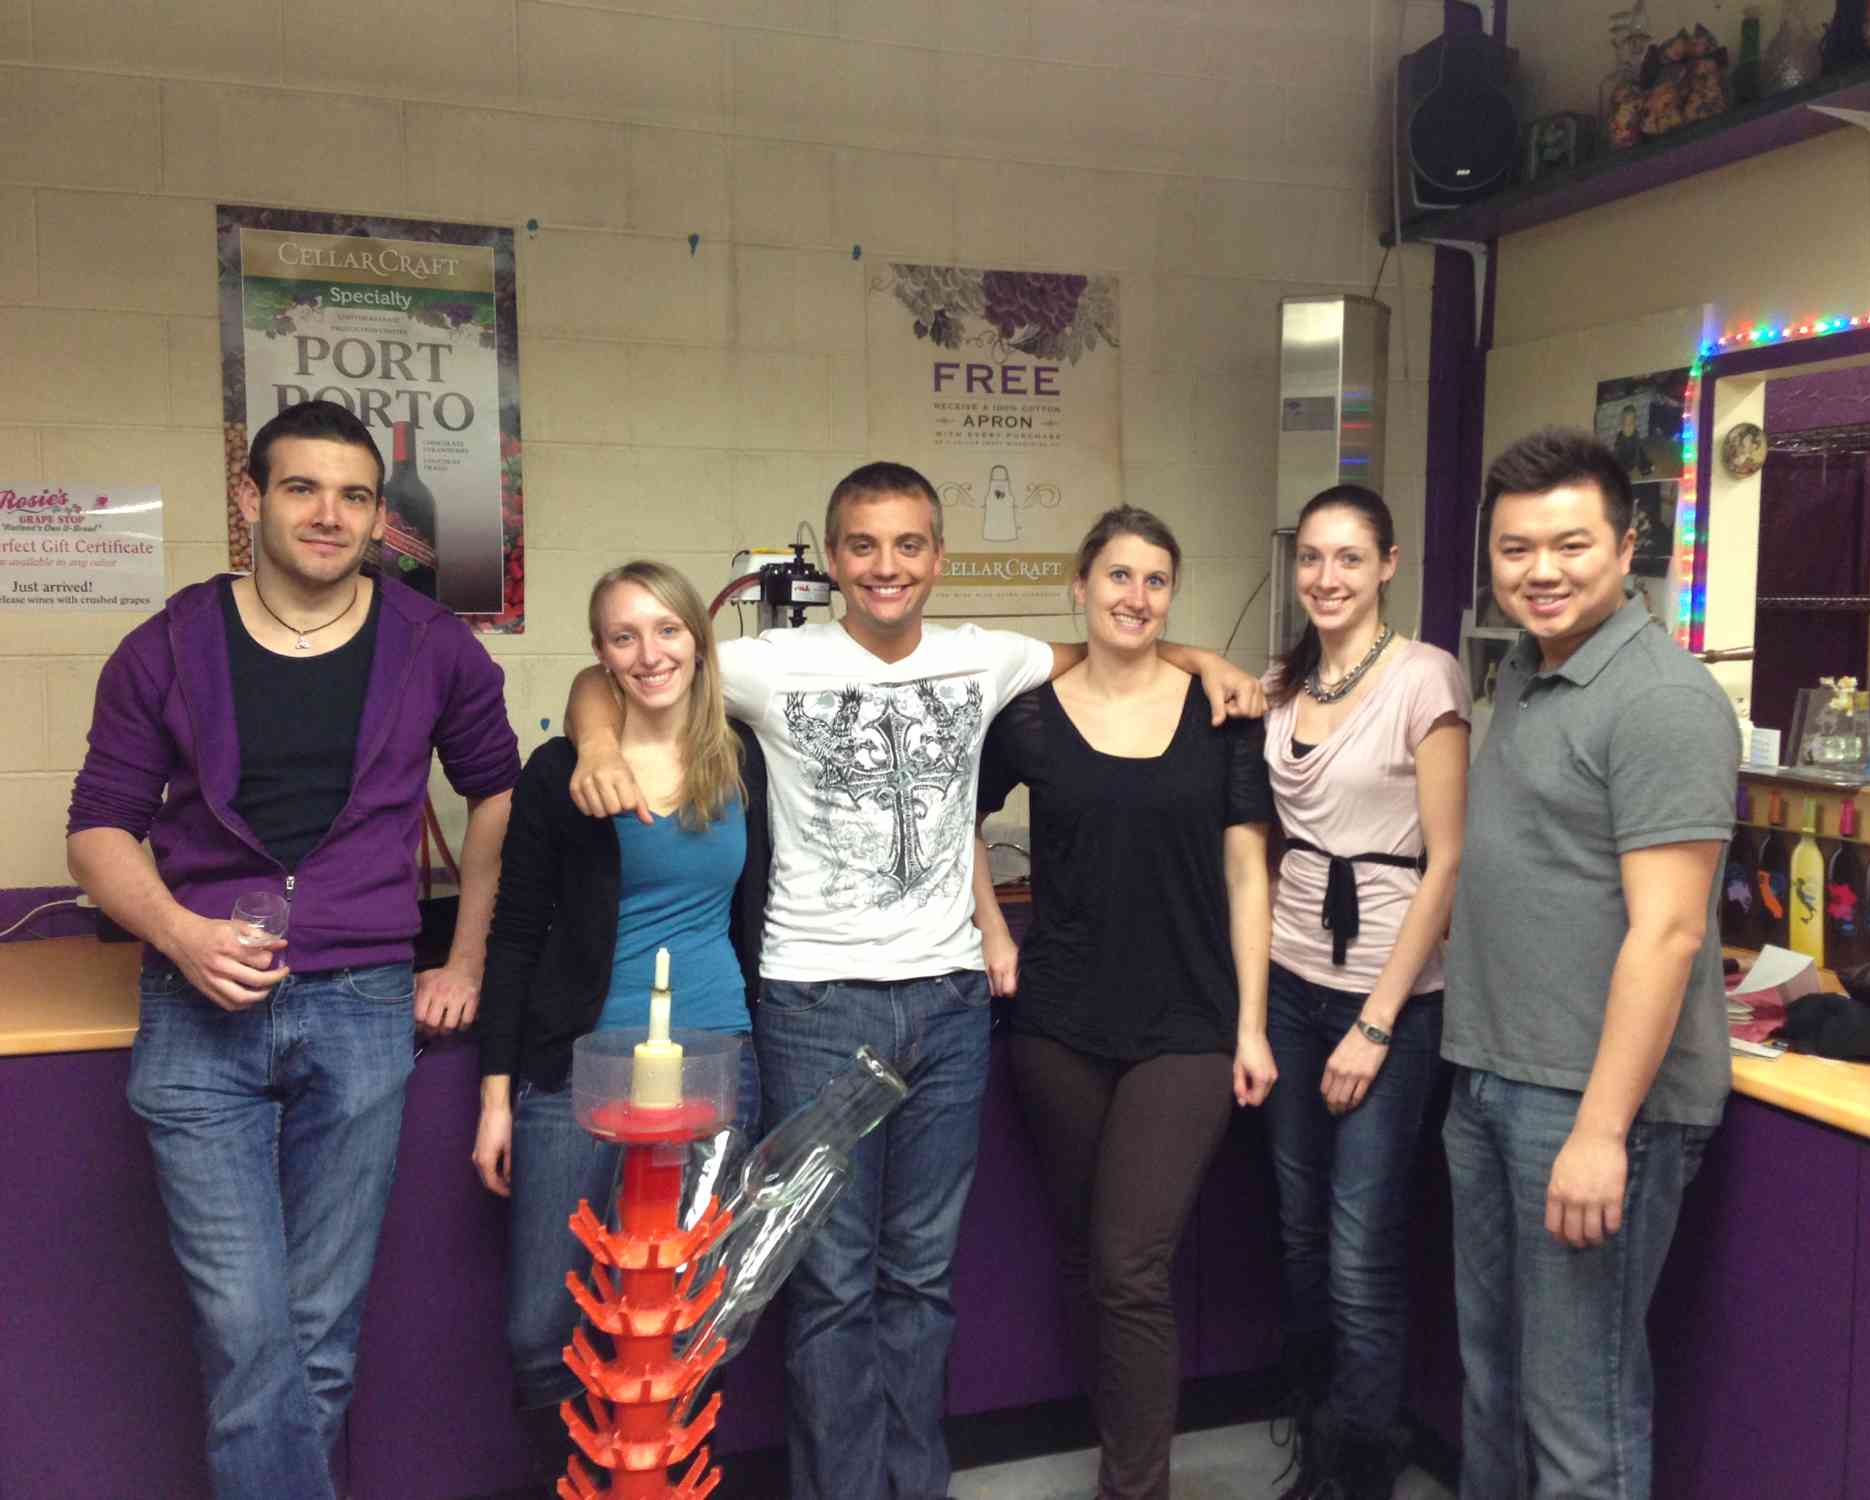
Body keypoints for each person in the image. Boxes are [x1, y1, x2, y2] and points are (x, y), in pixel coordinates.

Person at [563, 461, 1264, 1500]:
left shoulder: (986, 656)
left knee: (921, 1280)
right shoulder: (769, 663)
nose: (884, 566)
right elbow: (624, 667)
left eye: (906, 545)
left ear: (938, 557)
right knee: (831, 1284)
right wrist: (589, 734)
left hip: (947, 1005)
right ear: (833, 558)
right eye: (862, 546)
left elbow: (1114, 646)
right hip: (816, 1002)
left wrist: (1206, 659)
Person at [65, 400, 519, 1499]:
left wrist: (464, 960)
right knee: (245, 1329)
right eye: (303, 488)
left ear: (378, 517)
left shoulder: (433, 646)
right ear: (251, 499)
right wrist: (179, 931)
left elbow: (499, 794)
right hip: (196, 1013)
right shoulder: (166, 646)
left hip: (362, 1009)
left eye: (355, 496)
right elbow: (97, 830)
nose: (329, 514)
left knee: (317, 1334)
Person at [1444, 428, 1738, 1500]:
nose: (1541, 571)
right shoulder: (1528, 670)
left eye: (1570, 546)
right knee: (1493, 1385)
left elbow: (1668, 932)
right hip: (1492, 1077)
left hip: (1587, 1105)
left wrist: (1601, 1133)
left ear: (1625, 547)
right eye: (1515, 549)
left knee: (1577, 1415)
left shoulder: (1661, 699)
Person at [971, 507, 1276, 1500]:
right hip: (1058, 1025)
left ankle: (1134, 1488)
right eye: (1117, 575)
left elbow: (1247, 873)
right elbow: (953, 817)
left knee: (1130, 1265)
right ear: (1080, 586)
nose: (1135, 596)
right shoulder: (1028, 716)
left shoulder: (1221, 713)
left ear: (1170, 596)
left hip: (1187, 1024)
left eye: (1154, 580)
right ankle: (1119, 1443)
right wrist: (992, 929)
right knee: (1087, 1258)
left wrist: (1251, 1025)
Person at [470, 560, 771, 1476]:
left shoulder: (742, 757)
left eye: (668, 630)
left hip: (715, 1057)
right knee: (541, 1328)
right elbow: (515, 934)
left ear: (699, 641)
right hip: (580, 1064)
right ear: (599, 654)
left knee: (684, 1320)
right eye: (624, 636)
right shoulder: (563, 770)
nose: (650, 653)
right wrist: (496, 1098)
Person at [1260, 486, 1468, 1500]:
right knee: (1300, 1241)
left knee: (1357, 1255)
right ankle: (1319, 1444)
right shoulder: (1284, 680)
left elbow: (1448, 859)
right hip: (1288, 983)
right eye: (1310, 557)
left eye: (1348, 558)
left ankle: (1358, 1475)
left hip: (1385, 999)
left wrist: (1376, 1024)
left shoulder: (1425, 677)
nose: (1326, 577)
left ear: (1387, 564)